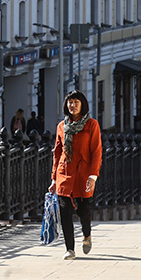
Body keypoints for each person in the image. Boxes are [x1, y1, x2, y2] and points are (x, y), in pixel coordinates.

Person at [48, 90, 102, 260]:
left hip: (84, 175)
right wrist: (54, 179)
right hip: (65, 175)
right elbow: (57, 154)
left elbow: (96, 152)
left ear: (82, 104)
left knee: (84, 211)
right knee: (65, 212)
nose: (73, 105)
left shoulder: (92, 125)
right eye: (70, 102)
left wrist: (93, 176)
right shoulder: (61, 127)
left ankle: (87, 235)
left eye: (76, 102)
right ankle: (69, 249)